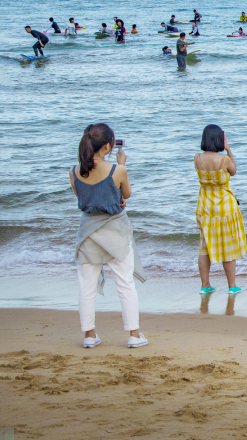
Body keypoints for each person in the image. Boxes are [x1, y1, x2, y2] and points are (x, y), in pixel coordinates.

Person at [70, 123, 148, 348]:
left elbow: (84, 200)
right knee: (125, 283)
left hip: (88, 233)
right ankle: (134, 335)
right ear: (107, 147)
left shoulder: (74, 171)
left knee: (86, 286)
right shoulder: (118, 170)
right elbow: (127, 194)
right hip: (115, 232)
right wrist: (122, 165)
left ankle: (89, 336)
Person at [195, 124, 246, 295]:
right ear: (219, 140)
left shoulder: (197, 158)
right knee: (228, 247)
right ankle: (232, 286)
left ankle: (205, 285)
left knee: (205, 247)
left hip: (205, 207)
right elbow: (234, 171)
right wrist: (228, 149)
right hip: (224, 208)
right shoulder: (224, 160)